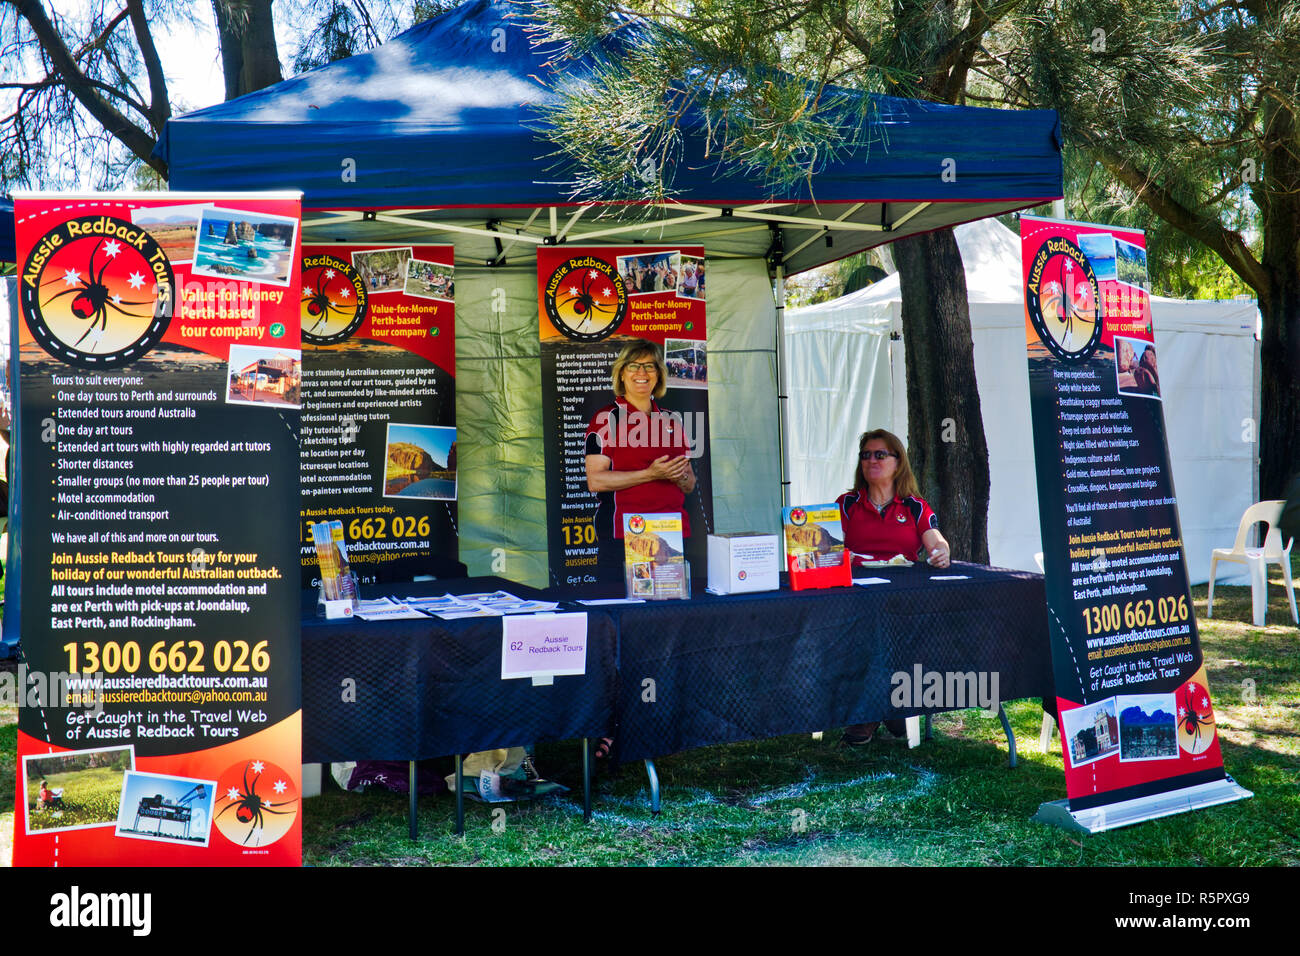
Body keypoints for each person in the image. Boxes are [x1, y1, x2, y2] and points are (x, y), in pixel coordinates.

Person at [585, 340, 696, 761]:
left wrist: (678, 476)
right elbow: (596, 481)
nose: (642, 374)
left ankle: (652, 723)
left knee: (662, 632)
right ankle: (609, 729)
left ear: (659, 376)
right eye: (633, 367)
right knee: (617, 636)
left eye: (650, 367)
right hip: (622, 540)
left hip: (669, 542)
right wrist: (649, 472)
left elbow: (689, 484)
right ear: (622, 374)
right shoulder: (604, 420)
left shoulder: (672, 421)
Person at [835, 429, 951, 745]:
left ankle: (891, 707)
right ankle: (870, 713)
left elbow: (935, 539)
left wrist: (941, 551)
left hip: (904, 601)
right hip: (857, 601)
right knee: (862, 636)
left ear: (898, 462)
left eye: (880, 454)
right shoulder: (846, 505)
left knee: (897, 636)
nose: (871, 460)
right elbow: (827, 550)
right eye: (866, 455)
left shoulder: (914, 506)